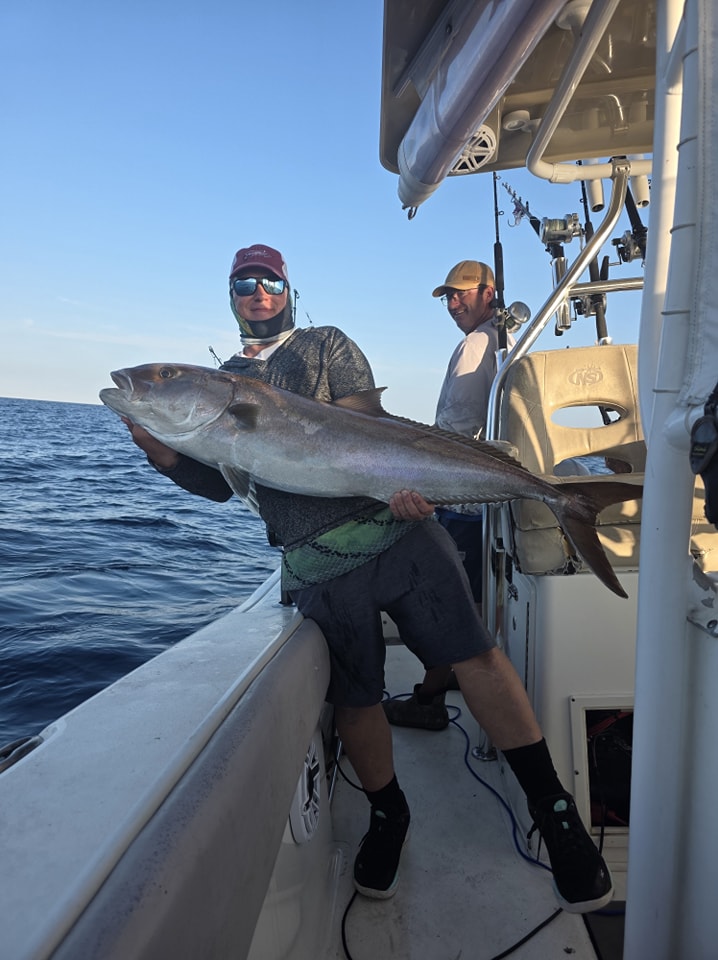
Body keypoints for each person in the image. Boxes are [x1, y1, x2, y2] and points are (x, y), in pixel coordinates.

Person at [121, 243, 613, 913]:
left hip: (401, 534)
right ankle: (388, 814)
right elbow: (219, 485)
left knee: (476, 657)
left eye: (269, 282)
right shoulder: (226, 382)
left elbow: (368, 427)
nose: (258, 293)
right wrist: (163, 455)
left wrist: (409, 485)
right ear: (231, 296)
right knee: (357, 700)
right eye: (243, 284)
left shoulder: (325, 344)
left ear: (287, 291)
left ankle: (554, 810)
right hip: (317, 563)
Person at [383, 260, 512, 731]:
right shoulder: (504, 340)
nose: (454, 303)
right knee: (475, 598)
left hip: (463, 500)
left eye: (462, 293)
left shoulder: (475, 344)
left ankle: (430, 700)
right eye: (448, 296)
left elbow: (455, 427)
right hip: (488, 497)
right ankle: (455, 678)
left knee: (449, 603)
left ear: (488, 293)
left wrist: (425, 484)